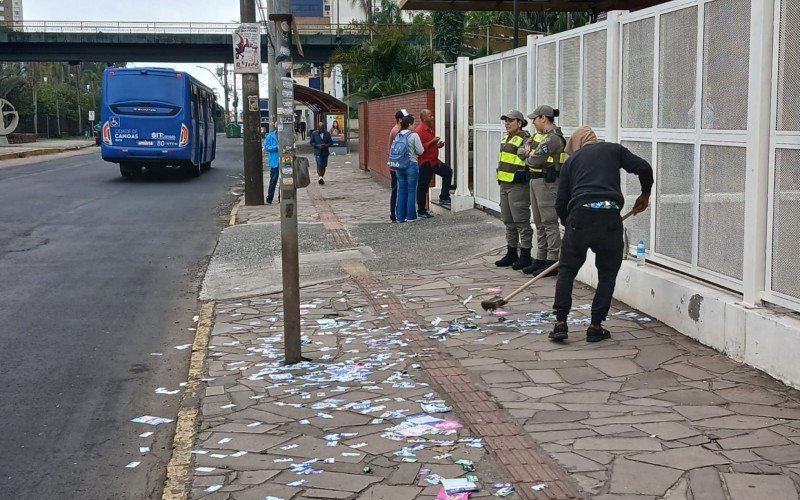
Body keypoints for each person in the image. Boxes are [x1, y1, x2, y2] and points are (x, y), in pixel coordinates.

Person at [550, 126, 653, 343]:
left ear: (576, 145)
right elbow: (643, 167)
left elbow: (561, 202)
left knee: (567, 271)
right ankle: (596, 326)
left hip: (579, 217)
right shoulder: (614, 150)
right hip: (609, 218)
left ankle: (560, 324)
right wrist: (645, 193)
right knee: (607, 274)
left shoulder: (571, 161)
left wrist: (568, 225)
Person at [518, 105, 567, 276]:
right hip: (536, 181)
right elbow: (521, 150)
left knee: (549, 222)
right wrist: (528, 154)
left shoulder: (552, 138)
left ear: (544, 118)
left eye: (535, 119)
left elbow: (535, 160)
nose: (532, 122)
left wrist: (528, 155)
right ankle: (541, 258)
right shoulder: (539, 137)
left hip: (548, 183)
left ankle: (552, 260)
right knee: (539, 222)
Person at [494, 110, 534, 269]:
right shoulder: (506, 138)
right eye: (506, 120)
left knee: (521, 221)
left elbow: (528, 158)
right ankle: (511, 252)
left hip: (518, 186)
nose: (507, 123)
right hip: (504, 184)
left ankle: (525, 255)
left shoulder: (526, 139)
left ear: (520, 122)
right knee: (508, 220)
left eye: (511, 120)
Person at [415, 109, 452, 218]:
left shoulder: (430, 128)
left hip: (434, 161)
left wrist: (437, 145)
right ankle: (421, 211)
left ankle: (444, 197)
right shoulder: (419, 131)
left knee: (448, 172)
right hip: (425, 163)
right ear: (424, 118)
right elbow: (420, 148)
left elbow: (430, 145)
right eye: (430, 116)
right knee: (423, 186)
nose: (432, 117)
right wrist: (433, 142)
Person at [390, 114, 424, 223]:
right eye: (414, 123)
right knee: (411, 191)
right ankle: (411, 216)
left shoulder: (398, 135)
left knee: (401, 191)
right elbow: (420, 151)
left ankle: (400, 217)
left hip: (399, 166)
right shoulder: (414, 136)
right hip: (411, 165)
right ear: (409, 124)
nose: (414, 126)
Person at [389, 109, 408, 223]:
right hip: (397, 165)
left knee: (396, 189)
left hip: (394, 164)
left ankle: (395, 213)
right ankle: (395, 214)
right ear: (400, 119)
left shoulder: (396, 130)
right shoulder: (397, 131)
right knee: (397, 190)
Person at [263, 127, 279, 204]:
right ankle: (270, 197)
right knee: (273, 180)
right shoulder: (270, 136)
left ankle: (281, 197)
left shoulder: (287, 135)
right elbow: (266, 147)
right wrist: (275, 147)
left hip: (285, 160)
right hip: (274, 161)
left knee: (285, 180)